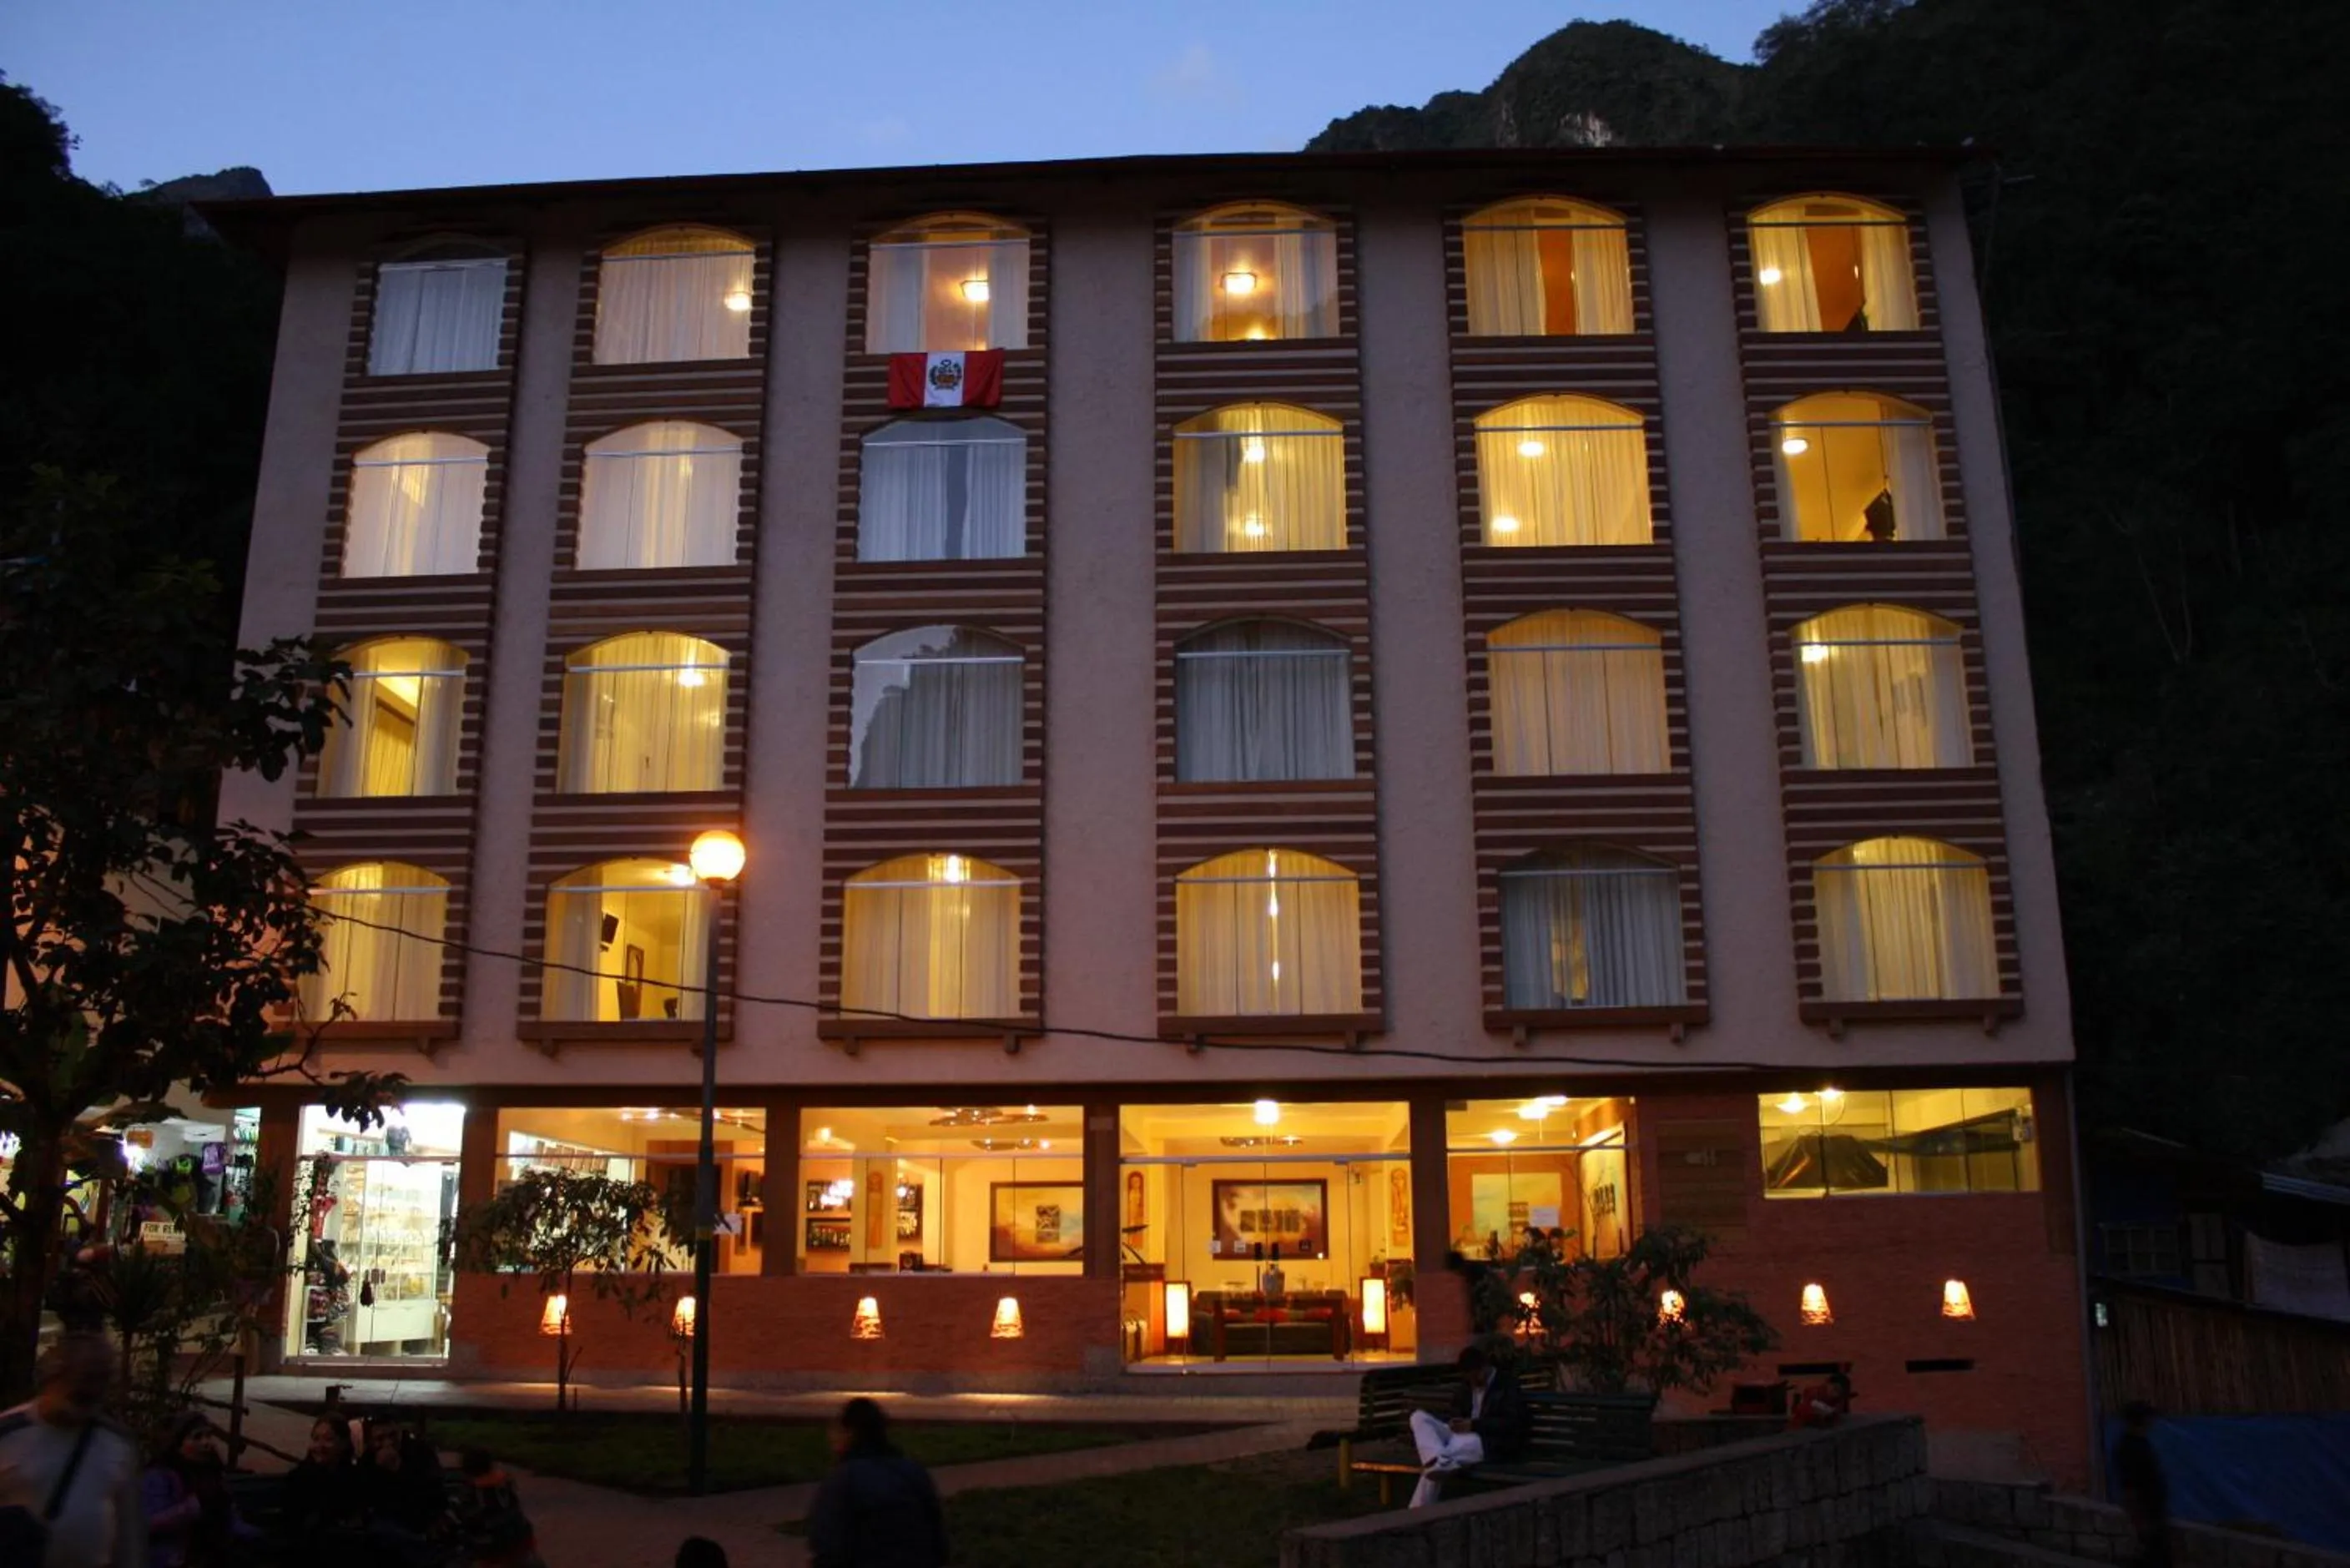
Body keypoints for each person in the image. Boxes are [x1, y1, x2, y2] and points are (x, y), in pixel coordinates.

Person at [0, 1332, 149, 1567]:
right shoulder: (8, 1433)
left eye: (102, 1379)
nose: (93, 1389)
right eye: (85, 1378)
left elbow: (129, 1536)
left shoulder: (117, 1444)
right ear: (54, 1377)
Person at [805, 1397, 947, 1568]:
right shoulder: (913, 1471)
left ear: (849, 1432)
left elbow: (827, 1544)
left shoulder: (844, 1480)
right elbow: (938, 1537)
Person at [1408, 1345, 1530, 1508]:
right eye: (1468, 1378)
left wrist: (1474, 1425)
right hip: (1460, 1435)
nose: (1472, 1382)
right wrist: (1454, 1422)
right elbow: (1455, 1410)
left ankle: (1416, 1512)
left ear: (1484, 1368)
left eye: (1475, 1377)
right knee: (1418, 1417)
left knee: (1438, 1463)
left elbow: (1512, 1423)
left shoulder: (1506, 1386)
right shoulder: (1466, 1386)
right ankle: (1439, 1460)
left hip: (1487, 1442)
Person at [141, 1413, 256, 1567]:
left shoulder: (212, 1473)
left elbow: (228, 1517)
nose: (206, 1442)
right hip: (174, 1558)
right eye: (197, 1437)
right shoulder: (159, 1475)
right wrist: (189, 1509)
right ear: (178, 1443)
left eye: (209, 1436)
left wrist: (258, 1536)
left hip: (214, 1553)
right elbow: (147, 1523)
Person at [356, 1417, 447, 1565]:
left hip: (420, 1524)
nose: (388, 1443)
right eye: (380, 1439)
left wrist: (398, 1469)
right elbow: (366, 1498)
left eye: (392, 1436)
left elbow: (434, 1495)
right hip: (386, 1526)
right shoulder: (368, 1461)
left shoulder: (421, 1453)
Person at [278, 1415, 362, 1550]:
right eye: (316, 1439)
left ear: (344, 1443)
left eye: (328, 1439)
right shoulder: (299, 1478)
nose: (319, 1446)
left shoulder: (354, 1477)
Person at [454, 1448, 542, 1567]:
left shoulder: (472, 1494)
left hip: (490, 1548)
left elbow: (468, 1520)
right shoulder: (504, 1486)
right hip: (519, 1541)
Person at [2115, 1402, 2172, 1568]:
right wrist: (2140, 1521)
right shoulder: (2130, 1447)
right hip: (2147, 1514)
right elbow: (2129, 1488)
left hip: (2154, 1512)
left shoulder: (2140, 1443)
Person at [1788, 1369, 1853, 1430]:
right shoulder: (1812, 1393)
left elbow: (1836, 1422)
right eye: (1835, 1388)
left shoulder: (1838, 1402)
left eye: (1839, 1392)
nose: (1835, 1393)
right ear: (1828, 1383)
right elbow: (1799, 1412)